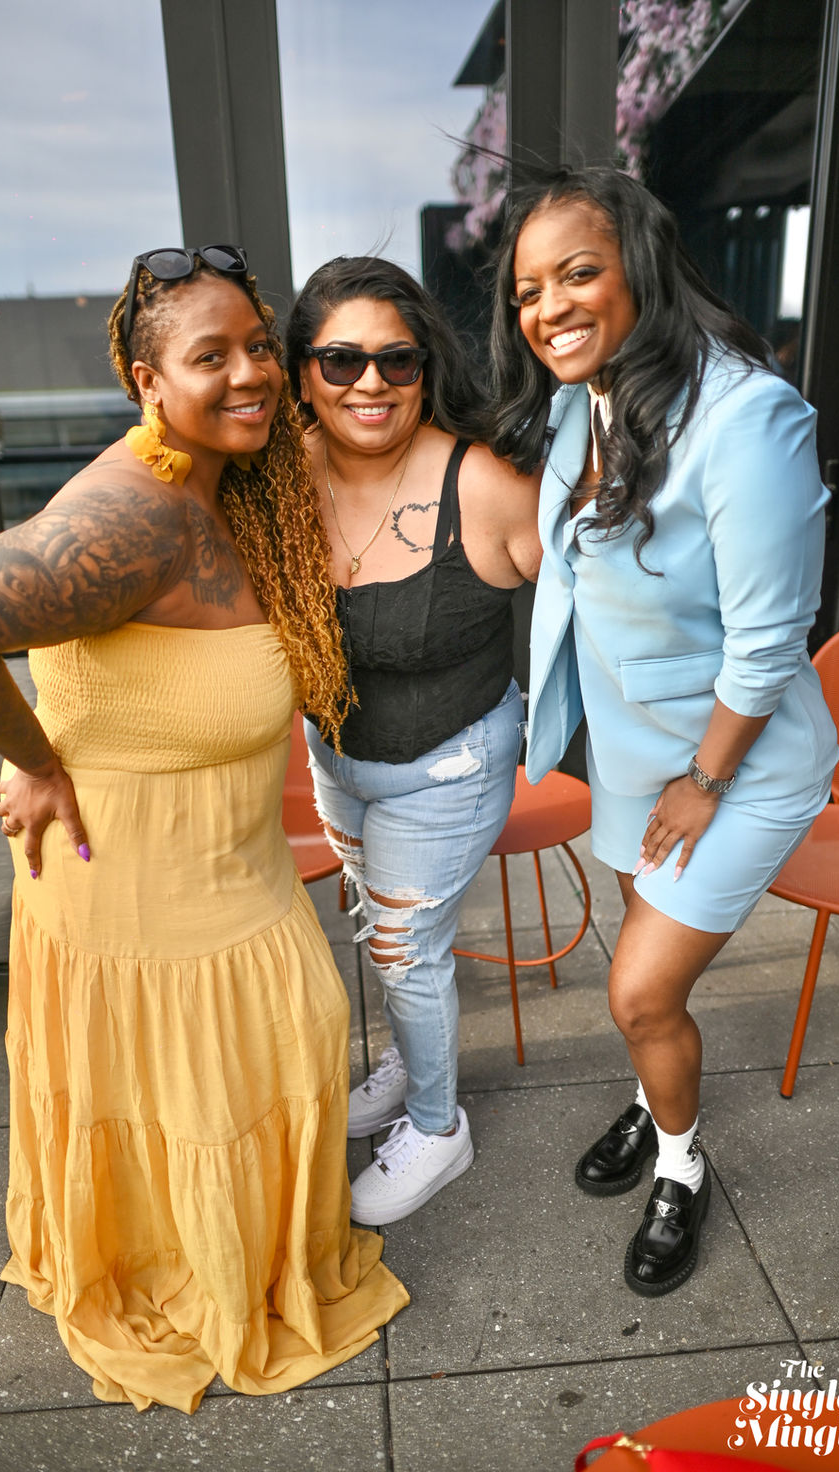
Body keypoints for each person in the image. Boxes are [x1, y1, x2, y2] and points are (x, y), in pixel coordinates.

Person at [0, 245, 408, 1410]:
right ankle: (192, 1265)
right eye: (208, 356)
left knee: (283, 1043)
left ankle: (219, 1248)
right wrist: (34, 757)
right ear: (146, 380)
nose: (249, 374)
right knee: (249, 1063)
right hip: (144, 898)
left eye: (257, 348)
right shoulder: (132, 515)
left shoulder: (214, 484)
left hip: (215, 873)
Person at [488, 168, 838, 1296]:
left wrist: (702, 780)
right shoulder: (576, 399)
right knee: (649, 974)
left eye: (576, 273)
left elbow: (768, 646)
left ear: (639, 267)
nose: (548, 307)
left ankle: (682, 1165)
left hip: (737, 761)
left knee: (638, 990)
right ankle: (654, 1097)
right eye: (527, 290)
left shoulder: (746, 418)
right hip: (637, 749)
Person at [284, 257, 541, 1225]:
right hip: (335, 757)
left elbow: (599, 611)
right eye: (341, 360)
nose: (370, 383)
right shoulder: (281, 473)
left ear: (425, 367)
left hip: (451, 761)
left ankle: (438, 1126)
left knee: (403, 945)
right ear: (302, 370)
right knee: (385, 933)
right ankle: (408, 1053)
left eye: (396, 359)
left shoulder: (483, 481)